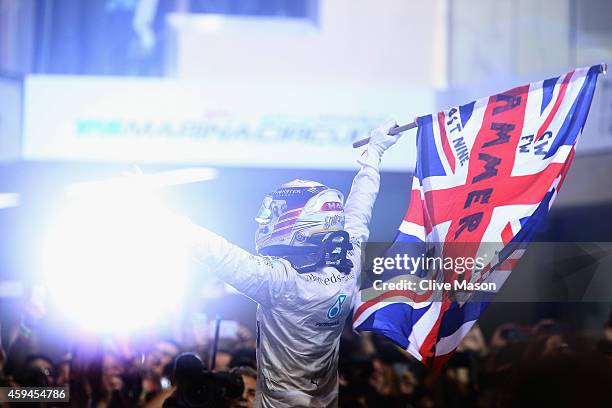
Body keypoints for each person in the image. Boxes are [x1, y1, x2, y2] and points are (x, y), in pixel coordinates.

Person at [176, 121, 400, 407]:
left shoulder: (281, 283)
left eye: (277, 212)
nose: (267, 219)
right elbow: (359, 213)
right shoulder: (349, 265)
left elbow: (219, 253)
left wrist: (166, 221)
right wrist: (374, 154)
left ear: (303, 221)